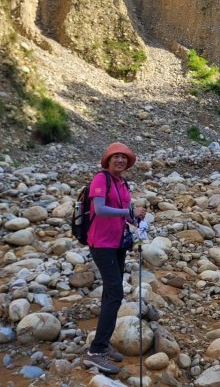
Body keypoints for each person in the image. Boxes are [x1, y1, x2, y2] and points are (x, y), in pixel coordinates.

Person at [83, 142, 146, 374]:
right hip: (101, 244)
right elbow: (100, 209)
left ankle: (103, 342)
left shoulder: (122, 182)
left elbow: (122, 213)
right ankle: (95, 352)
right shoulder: (101, 179)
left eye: (124, 158)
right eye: (116, 157)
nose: (120, 160)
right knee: (115, 294)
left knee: (112, 293)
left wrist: (136, 222)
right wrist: (129, 212)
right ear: (108, 160)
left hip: (118, 242)